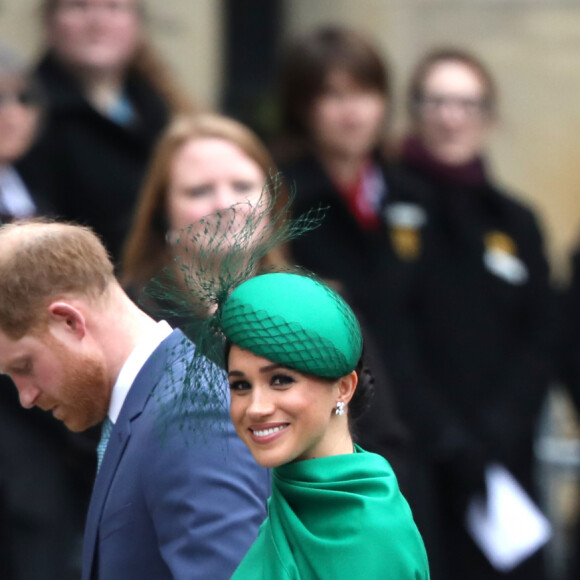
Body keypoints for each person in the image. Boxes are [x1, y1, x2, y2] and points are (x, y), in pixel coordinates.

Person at [0, 220, 270, 580]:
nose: (26, 396)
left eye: (24, 366)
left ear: (68, 321)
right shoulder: (152, 409)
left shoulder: (191, 416)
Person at [384, 48, 554, 579]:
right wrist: (445, 435)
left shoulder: (515, 220)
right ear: (414, 111)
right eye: (436, 101)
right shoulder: (388, 210)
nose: (450, 116)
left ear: (488, 116)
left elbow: (543, 330)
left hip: (504, 463)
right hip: (420, 457)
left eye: (465, 103)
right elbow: (390, 331)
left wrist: (502, 423)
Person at [214, 272, 430, 579]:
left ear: (343, 387)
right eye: (240, 385)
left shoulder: (368, 534)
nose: (256, 407)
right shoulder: (294, 504)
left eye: (280, 380)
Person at [0, 44, 95, 580]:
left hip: (45, 412)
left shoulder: (31, 187)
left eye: (22, 99)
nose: (11, 113)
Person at [17, 0, 192, 264]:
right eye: (78, 7)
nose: (97, 23)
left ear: (137, 23)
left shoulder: (165, 111)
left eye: (114, 7)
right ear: (49, 22)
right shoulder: (23, 116)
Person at [121, 113, 288, 300]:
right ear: (162, 209)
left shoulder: (311, 308)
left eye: (242, 186)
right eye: (199, 191)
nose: (226, 205)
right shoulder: (129, 316)